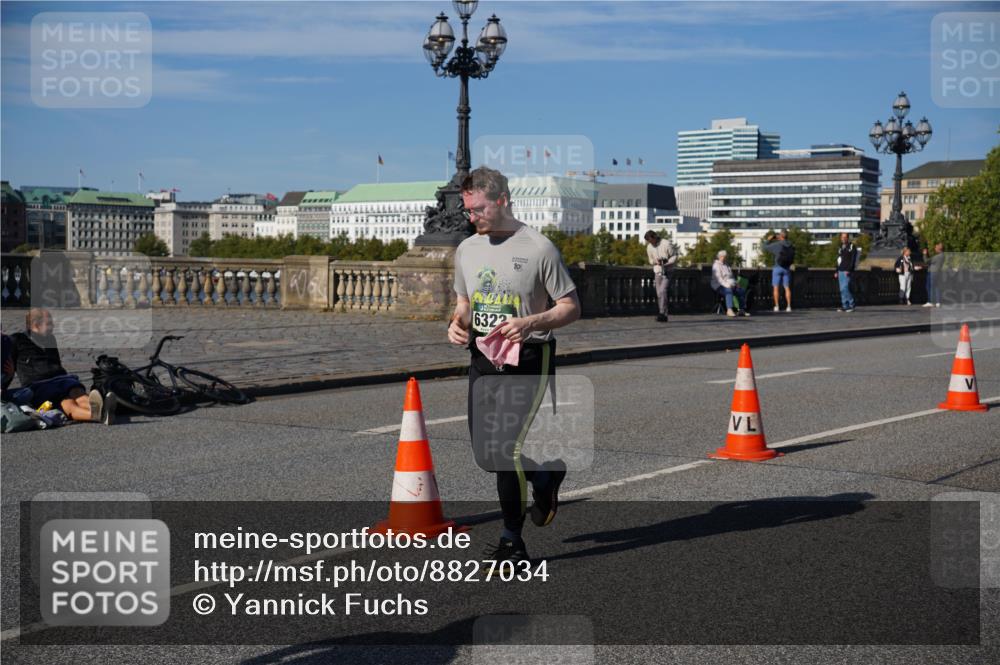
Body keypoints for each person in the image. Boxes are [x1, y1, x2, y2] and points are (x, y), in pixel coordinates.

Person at [447, 167, 581, 562]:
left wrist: (530, 323)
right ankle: (544, 476)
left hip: (528, 359)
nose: (472, 217)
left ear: (502, 200)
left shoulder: (539, 248)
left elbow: (571, 307)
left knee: (504, 450)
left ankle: (511, 540)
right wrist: (455, 326)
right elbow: (464, 304)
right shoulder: (467, 249)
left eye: (479, 209)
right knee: (486, 454)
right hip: (482, 360)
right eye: (468, 210)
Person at [10, 308, 116, 424]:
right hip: (39, 385)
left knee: (78, 393)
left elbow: (56, 363)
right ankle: (99, 415)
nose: (53, 326)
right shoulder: (17, 340)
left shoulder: (50, 339)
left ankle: (102, 408)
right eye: (49, 323)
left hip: (61, 379)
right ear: (36, 325)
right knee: (67, 403)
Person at [645, 230, 677, 322]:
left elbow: (674, 256)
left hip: (668, 271)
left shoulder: (666, 243)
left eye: (652, 241)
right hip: (658, 271)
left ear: (655, 237)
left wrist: (667, 262)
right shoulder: (649, 247)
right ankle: (662, 314)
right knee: (659, 293)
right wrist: (656, 262)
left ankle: (663, 312)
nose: (651, 243)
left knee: (663, 291)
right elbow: (650, 260)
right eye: (649, 242)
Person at [710, 250, 749, 317]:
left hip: (730, 284)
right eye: (723, 257)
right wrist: (728, 285)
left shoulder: (727, 265)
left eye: (725, 257)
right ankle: (729, 310)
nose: (724, 258)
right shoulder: (716, 265)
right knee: (728, 291)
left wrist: (736, 283)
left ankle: (741, 310)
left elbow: (731, 276)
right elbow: (719, 279)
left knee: (741, 291)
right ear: (720, 257)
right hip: (719, 285)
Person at [762, 230, 794, 312]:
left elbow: (764, 247)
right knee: (787, 287)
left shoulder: (777, 245)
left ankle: (777, 306)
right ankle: (789, 306)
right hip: (786, 268)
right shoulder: (790, 244)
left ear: (781, 236)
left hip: (777, 267)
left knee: (776, 287)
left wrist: (769, 239)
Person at [835, 233, 859, 312]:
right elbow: (838, 260)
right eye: (842, 237)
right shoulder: (840, 247)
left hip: (847, 270)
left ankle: (851, 304)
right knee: (842, 289)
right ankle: (845, 305)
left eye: (845, 237)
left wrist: (849, 269)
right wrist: (836, 270)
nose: (843, 238)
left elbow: (853, 259)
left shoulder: (851, 246)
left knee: (845, 288)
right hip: (840, 270)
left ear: (848, 238)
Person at [924, 242, 944, 307]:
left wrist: (924, 254)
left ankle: (930, 301)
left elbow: (926, 261)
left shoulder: (937, 257)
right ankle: (938, 302)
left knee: (930, 287)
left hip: (933, 272)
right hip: (938, 272)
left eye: (935, 247)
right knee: (937, 287)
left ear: (938, 249)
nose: (935, 249)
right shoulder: (943, 255)